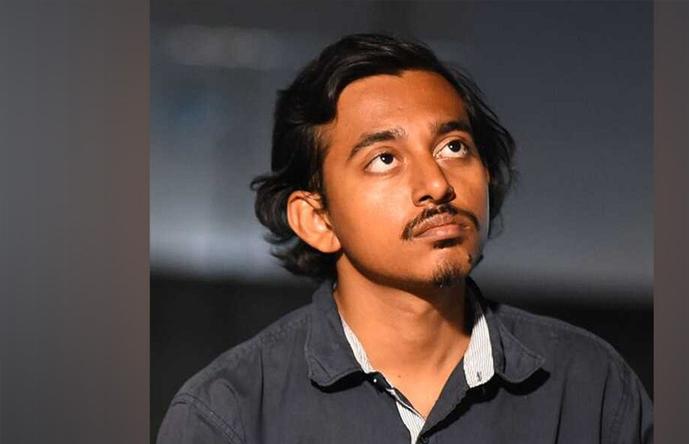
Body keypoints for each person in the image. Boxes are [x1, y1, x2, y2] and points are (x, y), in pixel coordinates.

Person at [157, 33, 653, 444]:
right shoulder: (230, 414)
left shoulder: (591, 389)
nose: (437, 184)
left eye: (453, 147)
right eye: (385, 159)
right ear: (317, 220)